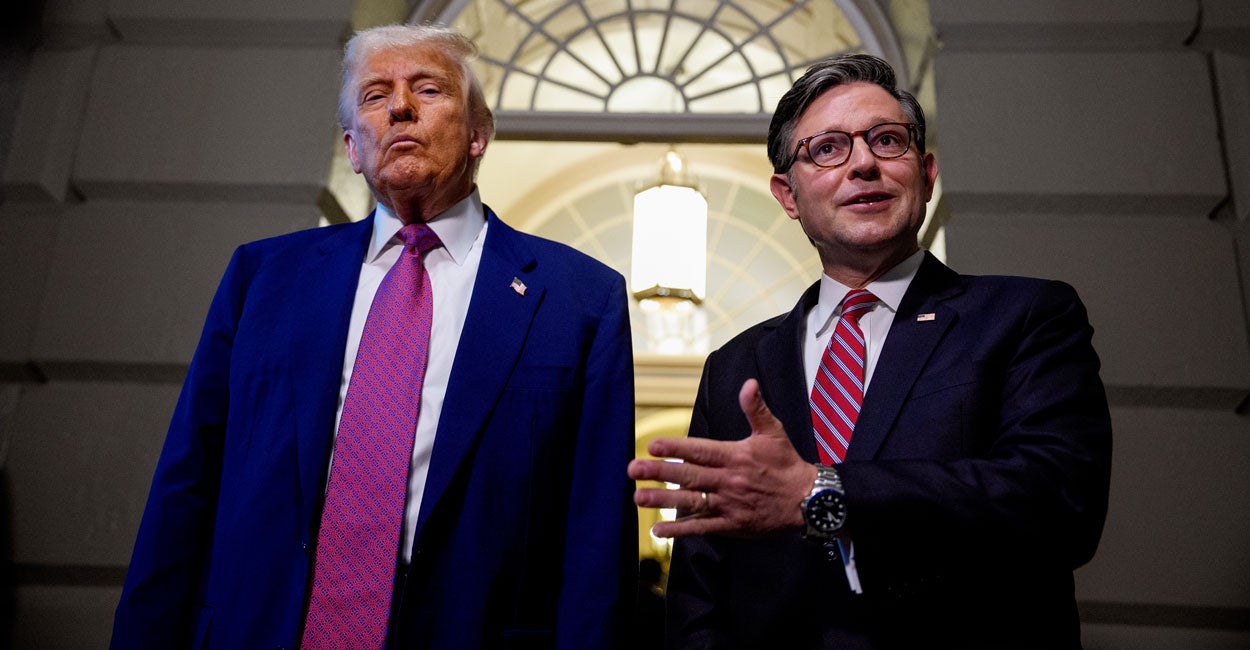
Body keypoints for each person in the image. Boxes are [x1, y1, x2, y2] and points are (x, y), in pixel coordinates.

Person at [112, 24, 637, 649]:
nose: (400, 107)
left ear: (478, 133)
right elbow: (186, 486)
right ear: (352, 148)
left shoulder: (581, 299)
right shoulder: (264, 278)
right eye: (374, 95)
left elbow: (597, 534)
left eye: (429, 89)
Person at [628, 53, 1112, 648]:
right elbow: (700, 592)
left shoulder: (1025, 317)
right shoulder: (735, 366)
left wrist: (822, 494)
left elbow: (1061, 504)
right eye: (827, 148)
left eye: (887, 141)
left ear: (926, 174)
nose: (863, 163)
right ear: (787, 194)